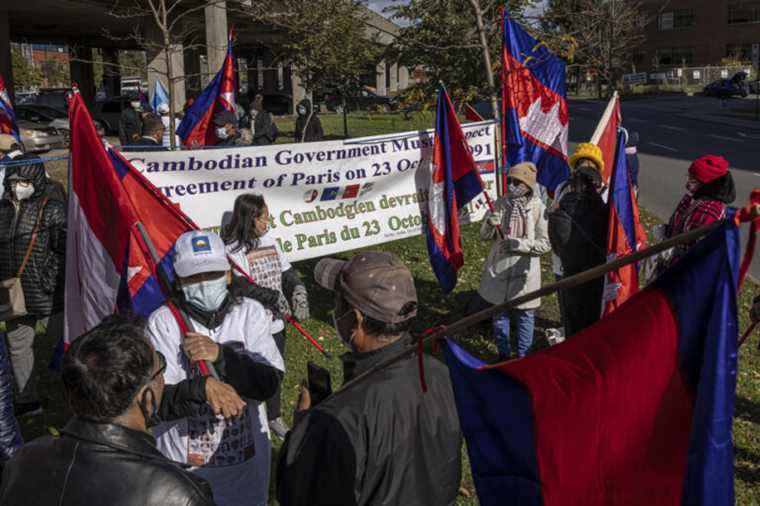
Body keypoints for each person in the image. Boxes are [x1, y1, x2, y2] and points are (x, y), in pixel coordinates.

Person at [277, 251, 462, 506]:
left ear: (356, 317)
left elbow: (300, 494)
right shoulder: (440, 373)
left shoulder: (337, 419)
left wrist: (303, 431)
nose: (333, 309)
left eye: (337, 300)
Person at [0, 314, 230, 506]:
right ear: (147, 396)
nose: (164, 379)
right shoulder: (180, 495)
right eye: (160, 366)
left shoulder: (22, 461)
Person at [146, 230, 284, 506]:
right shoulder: (163, 322)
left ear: (229, 275)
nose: (203, 283)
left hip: (244, 472)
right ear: (178, 279)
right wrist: (202, 388)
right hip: (184, 473)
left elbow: (269, 383)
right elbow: (154, 406)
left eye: (212, 274)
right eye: (193, 277)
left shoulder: (250, 313)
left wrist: (222, 356)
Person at [222, 193, 309, 439]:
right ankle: (243, 414)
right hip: (251, 326)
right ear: (250, 219)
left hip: (277, 322)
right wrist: (272, 297)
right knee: (247, 372)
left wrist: (298, 290)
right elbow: (239, 286)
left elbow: (287, 271)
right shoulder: (232, 250)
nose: (266, 223)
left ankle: (272, 417)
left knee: (275, 370)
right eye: (263, 219)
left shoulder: (269, 240)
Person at [0, 156, 66, 417]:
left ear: (36, 181)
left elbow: (63, 248)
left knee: (58, 343)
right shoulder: (2, 210)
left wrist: (49, 279)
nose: (19, 186)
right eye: (15, 181)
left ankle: (70, 391)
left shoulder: (52, 209)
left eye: (25, 181)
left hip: (48, 294)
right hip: (13, 294)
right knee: (17, 345)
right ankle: (27, 400)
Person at [475, 162, 550, 359]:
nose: (511, 186)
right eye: (509, 181)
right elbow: (484, 236)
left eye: (516, 182)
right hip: (499, 269)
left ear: (528, 186)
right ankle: (504, 354)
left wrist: (518, 245)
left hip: (524, 273)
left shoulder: (538, 209)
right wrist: (489, 224)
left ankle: (524, 357)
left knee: (525, 315)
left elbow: (545, 244)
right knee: (499, 313)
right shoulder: (500, 203)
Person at [547, 143, 608, 337]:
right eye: (583, 165)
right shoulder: (563, 189)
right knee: (578, 308)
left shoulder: (606, 192)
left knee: (579, 308)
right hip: (583, 262)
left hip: (578, 262)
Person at [665, 154, 736, 259]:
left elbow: (700, 250)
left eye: (693, 179)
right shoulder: (693, 200)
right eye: (688, 176)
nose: (688, 182)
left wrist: (674, 252)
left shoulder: (711, 211)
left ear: (706, 183)